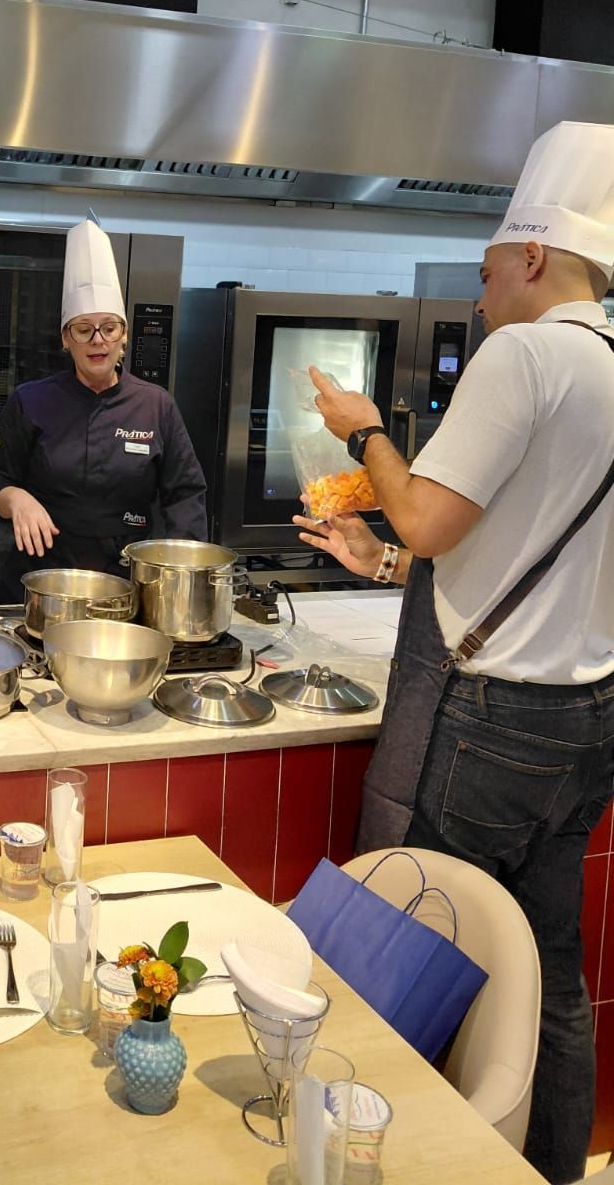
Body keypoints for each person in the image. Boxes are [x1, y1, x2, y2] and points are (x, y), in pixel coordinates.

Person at [293, 120, 614, 1185]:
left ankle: (397, 1164)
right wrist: (381, 564)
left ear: (532, 257)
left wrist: (362, 428)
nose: (479, 296)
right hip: (588, 720)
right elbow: (524, 556)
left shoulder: (524, 352)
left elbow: (428, 518)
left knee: (411, 952)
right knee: (551, 974)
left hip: (493, 726)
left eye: (486, 271)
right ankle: (551, 1171)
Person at [0, 219, 207, 601]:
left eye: (108, 328)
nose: (97, 340)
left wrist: (181, 580)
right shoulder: (31, 400)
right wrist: (15, 498)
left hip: (125, 584)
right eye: (83, 329)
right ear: (65, 339)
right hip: (39, 581)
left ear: (124, 336)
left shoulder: (156, 405)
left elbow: (185, 495)